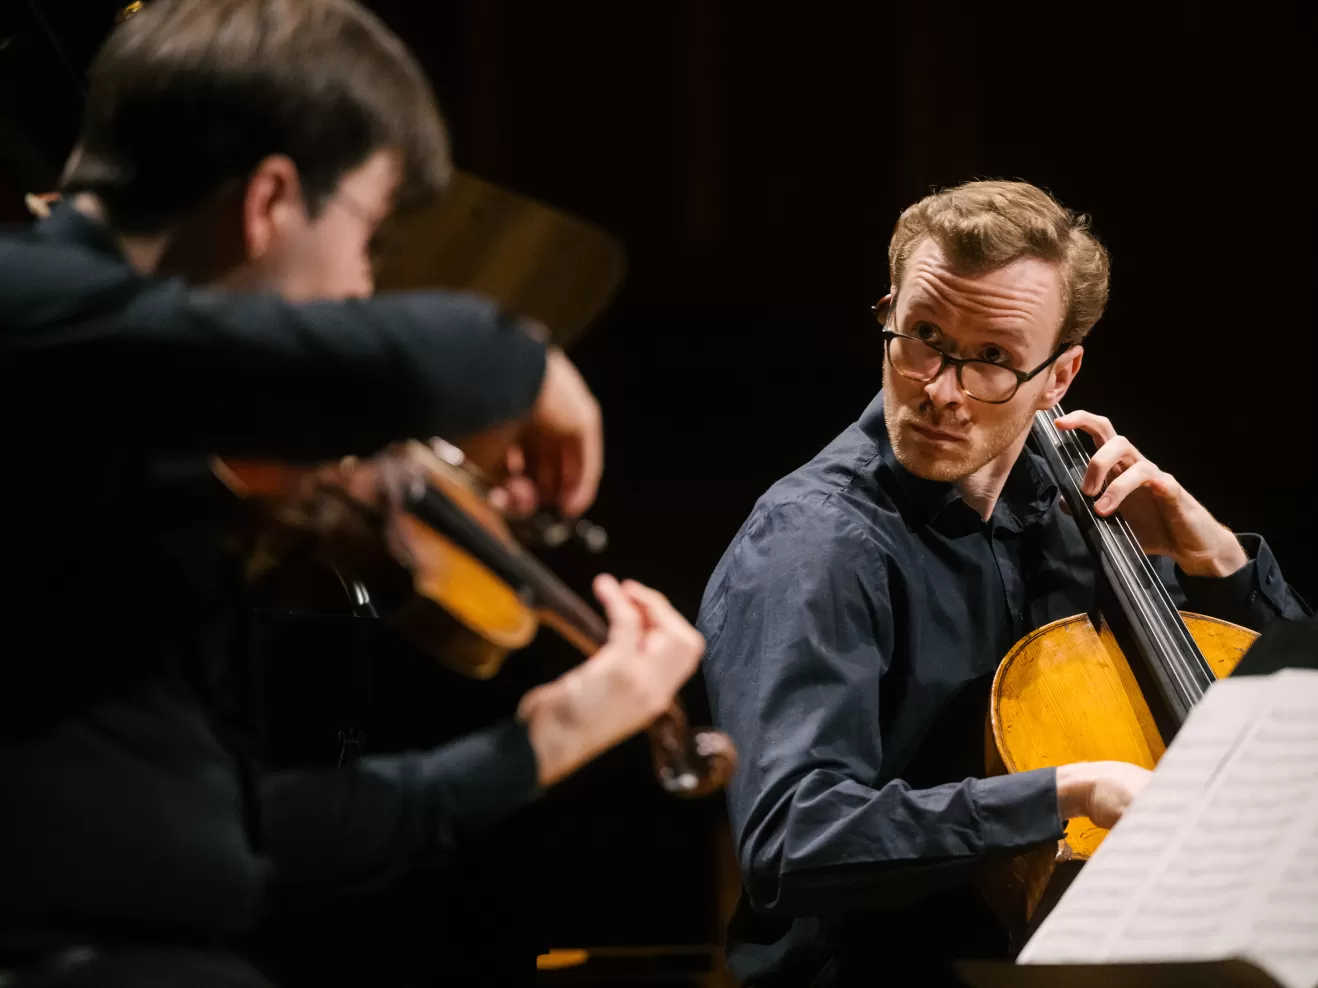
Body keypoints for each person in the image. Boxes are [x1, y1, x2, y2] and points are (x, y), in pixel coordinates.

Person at [0, 1, 703, 984]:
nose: (362, 289)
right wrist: (526, 359)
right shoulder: (27, 310)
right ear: (269, 201)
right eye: (367, 234)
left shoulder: (137, 461)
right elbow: (365, 360)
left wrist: (541, 743)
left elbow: (229, 841)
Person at [696, 180, 1311, 988]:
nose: (941, 391)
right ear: (889, 310)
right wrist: (1065, 794)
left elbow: (1289, 757)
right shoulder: (814, 542)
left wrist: (1221, 562)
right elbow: (791, 842)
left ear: (1060, 376)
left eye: (992, 358)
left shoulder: (1089, 518)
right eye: (923, 336)